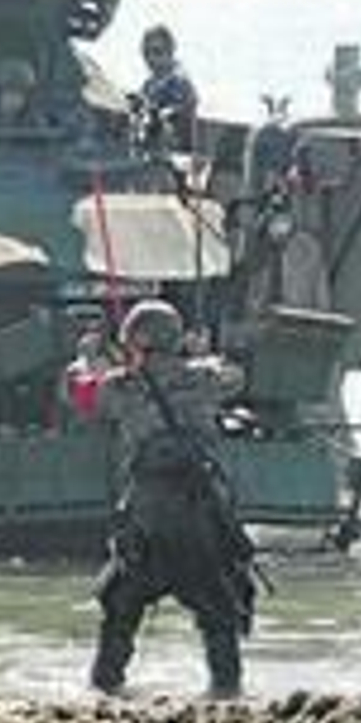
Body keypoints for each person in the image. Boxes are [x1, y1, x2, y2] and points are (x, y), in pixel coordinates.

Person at [77, 299, 254, 698]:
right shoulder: (205, 378)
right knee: (219, 616)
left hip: (147, 520)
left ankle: (106, 689)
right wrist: (198, 354)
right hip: (199, 516)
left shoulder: (119, 387)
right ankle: (227, 694)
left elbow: (82, 396)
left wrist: (87, 357)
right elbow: (237, 377)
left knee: (120, 607)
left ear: (134, 342)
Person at [139, 23, 199, 150]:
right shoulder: (149, 85)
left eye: (157, 52)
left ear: (170, 51)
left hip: (176, 153)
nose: (151, 58)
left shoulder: (181, 84)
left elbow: (178, 118)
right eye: (146, 53)